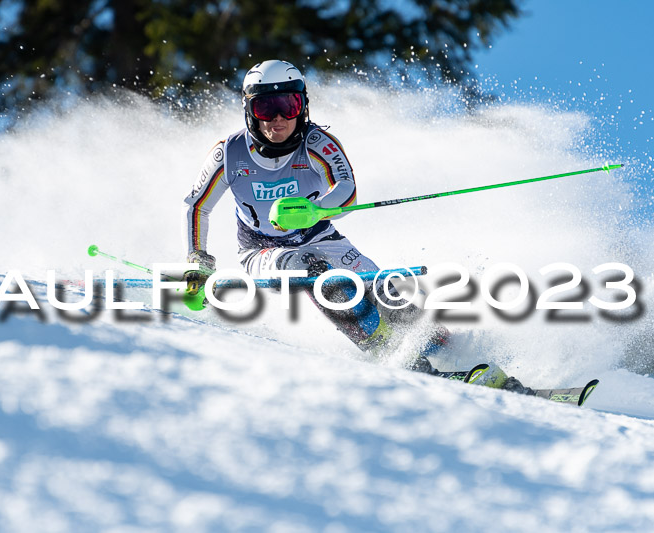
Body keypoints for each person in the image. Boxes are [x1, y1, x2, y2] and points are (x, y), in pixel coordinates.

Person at [181, 59, 532, 393]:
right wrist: (198, 260)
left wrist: (315, 210)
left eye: (286, 105)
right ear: (249, 111)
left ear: (301, 106)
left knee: (386, 292)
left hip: (319, 234)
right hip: (262, 250)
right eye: (264, 108)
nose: (276, 119)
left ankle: (458, 356)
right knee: (314, 273)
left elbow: (346, 191)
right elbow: (199, 206)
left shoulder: (317, 142)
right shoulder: (229, 153)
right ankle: (387, 350)